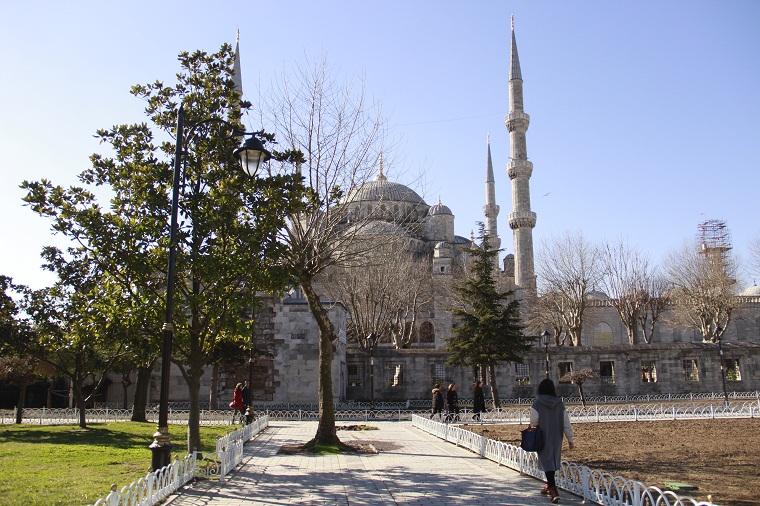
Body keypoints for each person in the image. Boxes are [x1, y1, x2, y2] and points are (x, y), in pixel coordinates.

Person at [530, 378, 574, 504]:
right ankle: (549, 485)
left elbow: (534, 422)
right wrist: (570, 439)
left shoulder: (537, 403)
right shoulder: (559, 404)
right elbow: (566, 422)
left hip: (542, 436)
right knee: (552, 460)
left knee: (546, 461)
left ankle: (553, 490)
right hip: (556, 437)